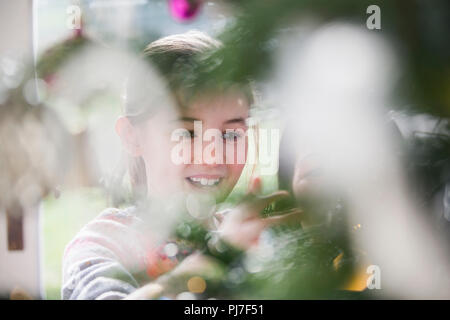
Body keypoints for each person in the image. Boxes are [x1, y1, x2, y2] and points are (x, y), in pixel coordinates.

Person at [62, 31, 301, 300]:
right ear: (132, 136)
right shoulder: (102, 244)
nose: (212, 157)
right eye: (186, 134)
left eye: (231, 135)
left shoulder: (257, 241)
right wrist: (218, 257)